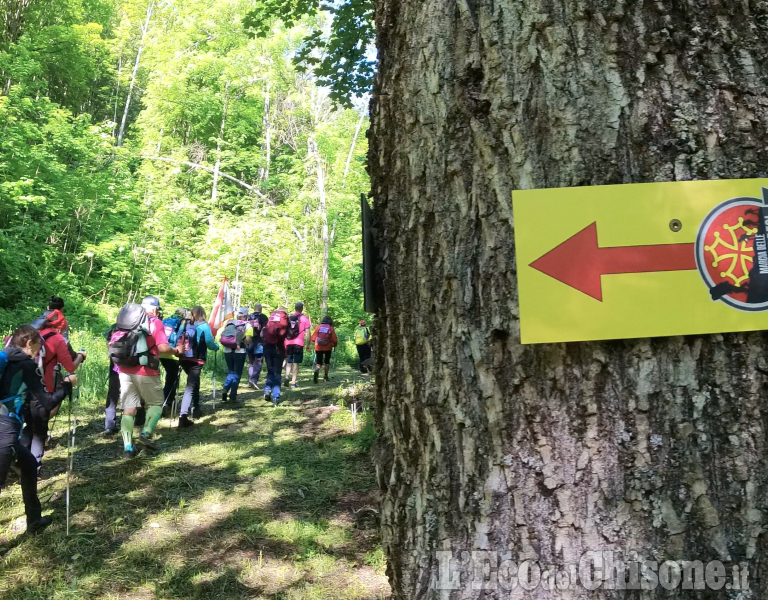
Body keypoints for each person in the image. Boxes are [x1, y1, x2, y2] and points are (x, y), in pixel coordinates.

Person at [0, 325, 74, 534]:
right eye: (39, 344)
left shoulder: (5, 357)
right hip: (5, 430)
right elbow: (48, 403)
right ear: (29, 343)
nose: (41, 349)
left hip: (6, 428)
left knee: (30, 465)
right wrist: (66, 385)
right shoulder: (26, 364)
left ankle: (34, 521)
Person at [114, 296, 178, 457]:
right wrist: (176, 350)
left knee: (128, 409)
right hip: (146, 370)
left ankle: (128, 447)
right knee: (156, 404)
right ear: (155, 309)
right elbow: (163, 347)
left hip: (124, 369)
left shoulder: (127, 321)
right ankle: (146, 433)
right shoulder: (155, 322)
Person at [20, 315, 86, 471]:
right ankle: (33, 466)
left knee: (27, 425)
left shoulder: (28, 335)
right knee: (39, 429)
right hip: (43, 387)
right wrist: (81, 357)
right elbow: (70, 366)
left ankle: (20, 461)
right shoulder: (57, 339)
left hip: (22, 387)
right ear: (60, 328)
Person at [178, 306, 218, 428]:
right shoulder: (204, 326)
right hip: (197, 359)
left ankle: (195, 407)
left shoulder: (185, 324)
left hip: (183, 358)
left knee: (194, 382)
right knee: (190, 386)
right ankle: (184, 414)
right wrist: (216, 347)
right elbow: (210, 343)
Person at [217, 307, 252, 405]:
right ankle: (232, 396)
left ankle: (225, 389)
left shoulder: (229, 322)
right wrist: (245, 341)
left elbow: (223, 335)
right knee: (237, 373)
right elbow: (248, 340)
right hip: (239, 350)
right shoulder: (247, 325)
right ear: (245, 316)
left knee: (231, 371)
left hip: (227, 350)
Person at [160, 308, 188, 414]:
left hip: (162, 353)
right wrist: (180, 351)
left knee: (170, 378)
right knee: (172, 380)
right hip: (173, 354)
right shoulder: (181, 322)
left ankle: (168, 401)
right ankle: (165, 403)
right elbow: (181, 337)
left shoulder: (166, 321)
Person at [262, 306, 289, 404]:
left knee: (270, 370)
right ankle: (276, 395)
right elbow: (288, 334)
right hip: (278, 347)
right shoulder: (285, 319)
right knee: (277, 372)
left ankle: (267, 390)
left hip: (267, 347)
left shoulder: (272, 317)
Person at [283, 302, 312, 390]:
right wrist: (308, 344)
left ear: (295, 308)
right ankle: (293, 383)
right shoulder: (304, 318)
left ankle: (287, 376)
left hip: (288, 342)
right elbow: (308, 333)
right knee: (296, 363)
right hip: (298, 343)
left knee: (289, 362)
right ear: (302, 308)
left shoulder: (289, 318)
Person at [246, 303, 268, 389]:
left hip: (249, 341)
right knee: (258, 361)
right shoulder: (263, 317)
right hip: (259, 342)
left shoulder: (249, 317)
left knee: (251, 361)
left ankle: (250, 380)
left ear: (254, 308)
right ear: (261, 309)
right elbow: (266, 330)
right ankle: (253, 380)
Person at [311, 316, 338, 383]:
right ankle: (325, 376)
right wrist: (334, 345)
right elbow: (335, 340)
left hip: (318, 347)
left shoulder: (318, 327)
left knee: (319, 362)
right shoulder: (330, 328)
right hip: (328, 347)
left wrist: (317, 342)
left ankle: (317, 370)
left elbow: (313, 338)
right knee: (327, 361)